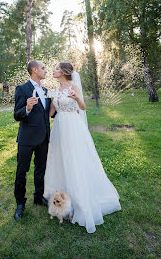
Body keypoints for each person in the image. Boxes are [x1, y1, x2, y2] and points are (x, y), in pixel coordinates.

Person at [44, 62, 121, 233]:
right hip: (59, 127)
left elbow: (83, 107)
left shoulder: (73, 87)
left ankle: (79, 199)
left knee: (74, 160)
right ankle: (62, 198)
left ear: (63, 72)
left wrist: (76, 98)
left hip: (73, 127)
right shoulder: (55, 90)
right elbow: (50, 112)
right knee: (60, 159)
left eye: (56, 69)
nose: (53, 71)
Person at [14, 60, 51, 220]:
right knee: (22, 172)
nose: (46, 71)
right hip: (27, 139)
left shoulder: (46, 90)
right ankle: (20, 203)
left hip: (43, 138)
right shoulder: (22, 89)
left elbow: (49, 113)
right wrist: (27, 108)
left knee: (40, 169)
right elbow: (17, 114)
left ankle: (38, 196)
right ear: (34, 70)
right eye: (43, 68)